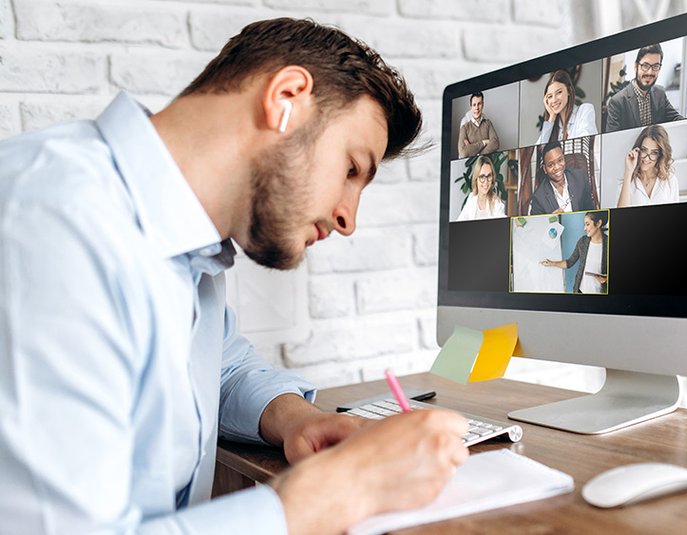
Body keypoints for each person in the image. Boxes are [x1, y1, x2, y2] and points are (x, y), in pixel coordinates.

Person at [0, 18, 470, 535]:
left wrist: (296, 420)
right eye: (352, 169)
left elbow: (218, 368)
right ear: (286, 98)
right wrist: (340, 490)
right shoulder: (53, 223)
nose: (348, 220)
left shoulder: (184, 248)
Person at [605, 43, 684, 133]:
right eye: (645, 66)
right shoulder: (617, 102)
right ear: (636, 66)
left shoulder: (660, 93)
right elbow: (611, 140)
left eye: (655, 66)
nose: (650, 72)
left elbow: (676, 119)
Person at [540, 211, 608, 293]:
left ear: (598, 223)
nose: (584, 228)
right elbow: (570, 262)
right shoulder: (583, 241)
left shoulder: (609, 243)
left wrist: (607, 279)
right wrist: (552, 263)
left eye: (587, 224)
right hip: (580, 291)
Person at [617, 124, 680, 207]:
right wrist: (628, 172)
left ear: (660, 155)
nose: (646, 159)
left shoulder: (670, 180)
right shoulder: (627, 182)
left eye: (654, 153)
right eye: (643, 150)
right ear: (638, 149)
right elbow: (620, 216)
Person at [529, 140, 596, 215]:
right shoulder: (539, 197)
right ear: (545, 169)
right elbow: (537, 224)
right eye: (551, 165)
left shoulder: (580, 178)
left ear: (564, 159)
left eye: (560, 160)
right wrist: (552, 220)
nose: (557, 167)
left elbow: (591, 211)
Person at [536, 69, 598, 145]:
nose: (554, 100)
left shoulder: (585, 110)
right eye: (550, 96)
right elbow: (538, 152)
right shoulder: (553, 124)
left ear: (569, 90)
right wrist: (552, 117)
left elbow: (584, 145)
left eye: (559, 92)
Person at [457, 155, 506, 220]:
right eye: (482, 177)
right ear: (476, 179)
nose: (486, 182)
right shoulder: (471, 198)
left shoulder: (497, 204)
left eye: (489, 176)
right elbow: (459, 222)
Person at [457, 91, 499, 158]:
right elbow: (463, 153)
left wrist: (479, 154)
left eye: (479, 104)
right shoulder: (465, 127)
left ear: (483, 105)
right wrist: (484, 142)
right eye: (474, 105)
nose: (477, 108)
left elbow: (495, 143)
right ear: (471, 107)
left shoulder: (488, 123)